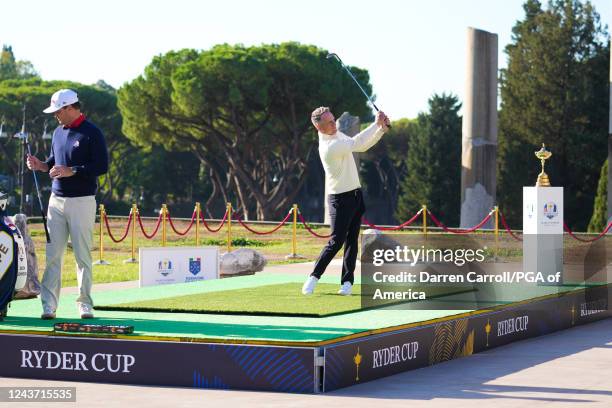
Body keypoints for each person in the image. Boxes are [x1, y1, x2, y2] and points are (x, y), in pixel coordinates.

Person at [26, 89, 109, 319]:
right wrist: (40, 165)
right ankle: (49, 306)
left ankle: (84, 304)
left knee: (82, 255)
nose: (55, 116)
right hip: (57, 200)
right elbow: (54, 163)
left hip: (82, 201)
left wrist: (72, 171)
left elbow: (101, 167)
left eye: (58, 111)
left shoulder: (92, 133)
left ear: (70, 108)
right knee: (53, 254)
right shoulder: (57, 133)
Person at [302, 107, 389, 296]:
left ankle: (347, 283)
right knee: (337, 241)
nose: (335, 124)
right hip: (339, 199)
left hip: (355, 195)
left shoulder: (337, 135)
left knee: (352, 241)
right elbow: (358, 142)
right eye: (330, 122)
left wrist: (380, 129)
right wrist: (377, 124)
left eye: (334, 120)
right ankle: (313, 277)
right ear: (319, 127)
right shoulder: (330, 147)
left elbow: (361, 144)